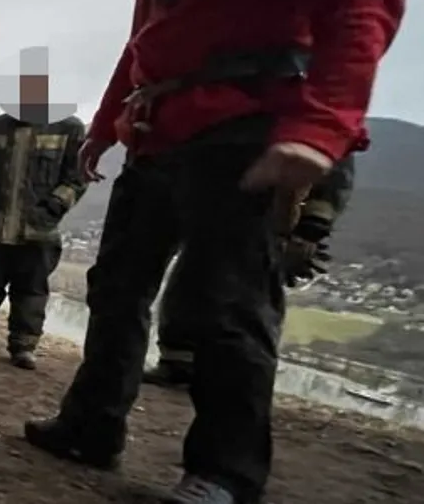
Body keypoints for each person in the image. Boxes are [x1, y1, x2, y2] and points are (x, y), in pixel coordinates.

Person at [21, 0, 408, 503]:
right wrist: (103, 127)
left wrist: (321, 127)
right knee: (115, 287)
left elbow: (364, 0)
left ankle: (222, 472)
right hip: (156, 132)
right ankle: (91, 424)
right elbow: (147, 41)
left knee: (228, 304)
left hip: (247, 134)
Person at [144, 154, 355, 388]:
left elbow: (334, 163)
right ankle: (183, 362)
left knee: (249, 299)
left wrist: (311, 228)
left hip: (263, 216)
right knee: (196, 275)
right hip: (221, 205)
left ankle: (235, 378)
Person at [0, 71, 88, 370]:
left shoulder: (69, 129)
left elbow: (78, 176)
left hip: (38, 233)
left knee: (31, 292)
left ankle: (23, 347)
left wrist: (53, 208)